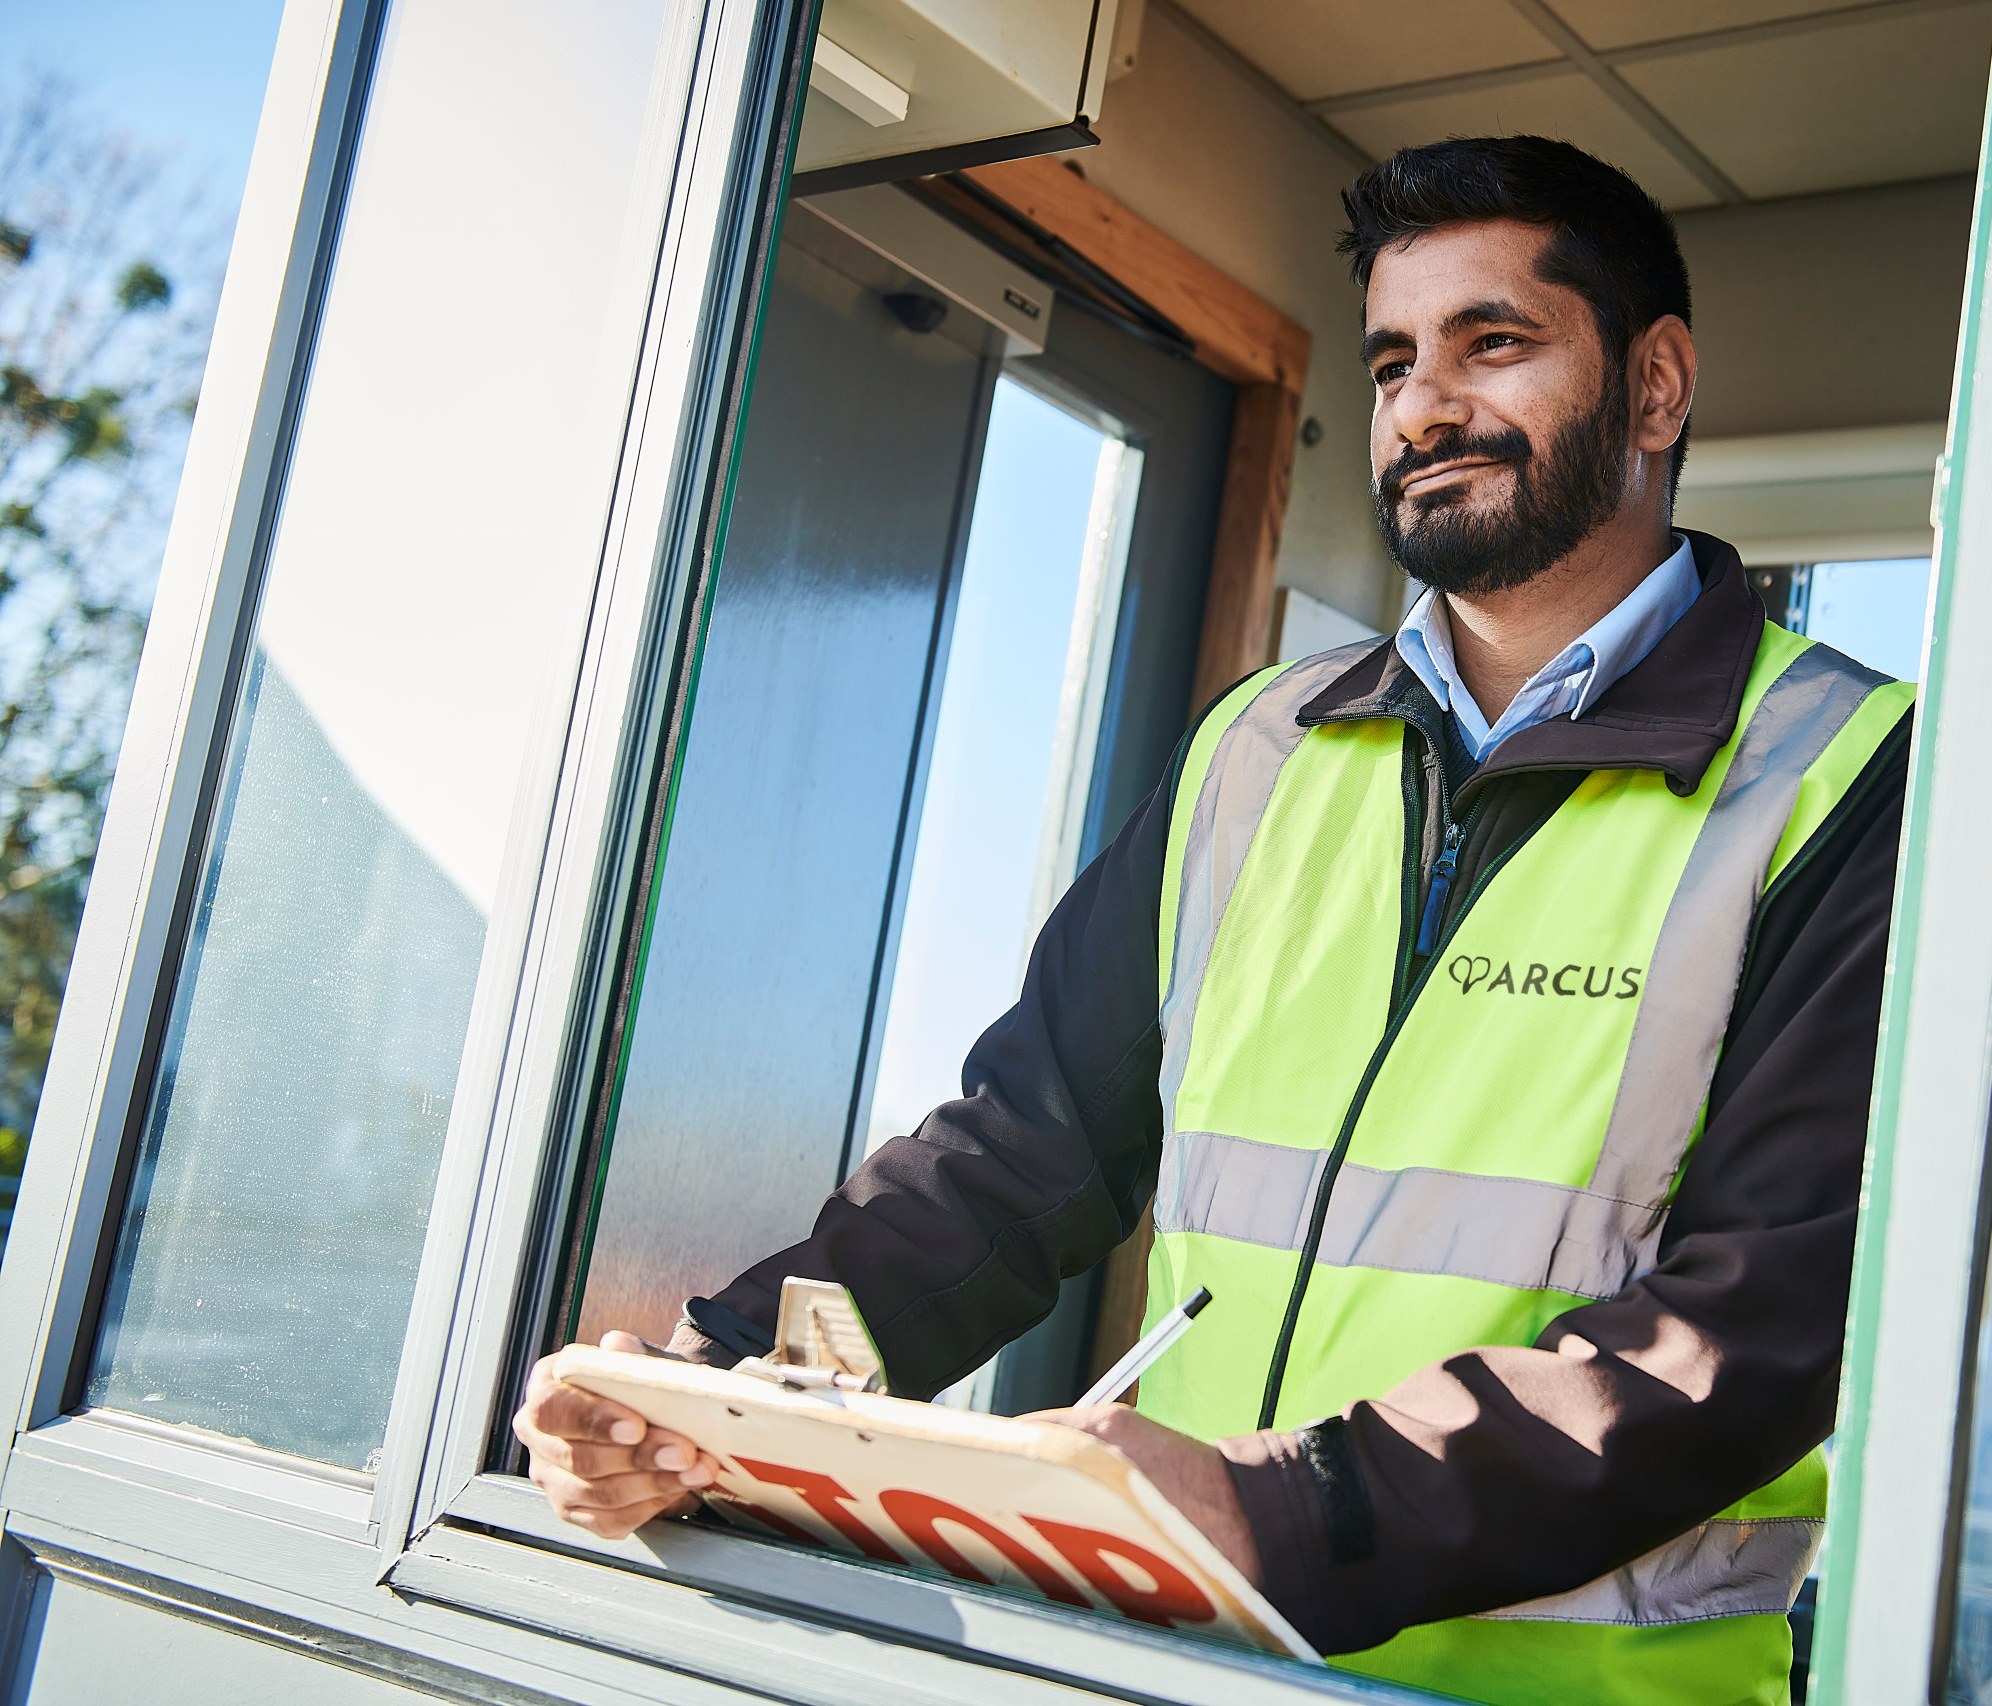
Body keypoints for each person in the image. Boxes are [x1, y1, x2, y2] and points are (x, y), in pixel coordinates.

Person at [515, 134, 1913, 1706]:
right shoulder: (1259, 748)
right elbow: (1020, 1155)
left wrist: (1280, 1505)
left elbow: (1755, 1328)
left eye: (1492, 343)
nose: (1425, 405)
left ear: (1655, 388)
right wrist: (717, 1381)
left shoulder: (1847, 777)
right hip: (1186, 1664)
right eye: (1393, 362)